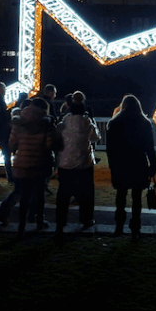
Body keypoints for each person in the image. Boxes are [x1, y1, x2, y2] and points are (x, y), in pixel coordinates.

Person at [0, 97, 61, 238]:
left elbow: (12, 144)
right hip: (41, 164)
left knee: (24, 197)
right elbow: (50, 145)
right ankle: (39, 221)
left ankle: (21, 227)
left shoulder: (18, 123)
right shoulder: (47, 124)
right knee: (40, 196)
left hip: (22, 164)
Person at [106, 94, 156, 241]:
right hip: (138, 163)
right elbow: (149, 147)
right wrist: (153, 165)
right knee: (137, 199)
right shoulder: (145, 123)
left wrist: (112, 165)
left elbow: (110, 149)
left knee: (121, 196)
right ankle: (135, 229)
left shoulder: (114, 123)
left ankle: (118, 227)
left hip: (121, 164)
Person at [55, 99, 101, 239]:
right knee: (86, 194)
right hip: (83, 162)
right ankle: (86, 219)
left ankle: (60, 222)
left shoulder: (63, 122)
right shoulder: (87, 122)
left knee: (63, 194)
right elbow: (96, 138)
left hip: (65, 162)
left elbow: (57, 136)